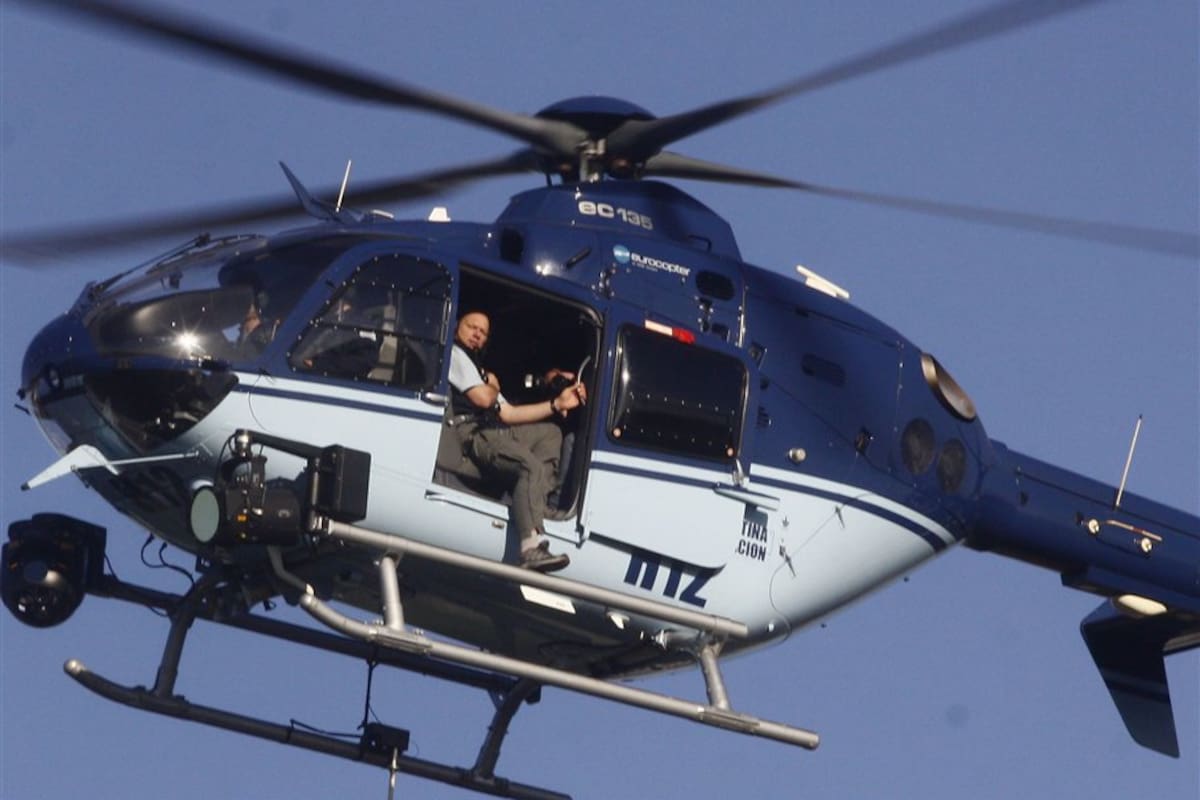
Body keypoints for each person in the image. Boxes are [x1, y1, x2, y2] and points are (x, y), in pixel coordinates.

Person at [449, 310, 586, 572]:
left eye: (483, 332)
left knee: (551, 433)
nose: (477, 333)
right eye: (472, 327)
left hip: (495, 429)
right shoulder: (455, 355)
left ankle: (537, 503)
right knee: (529, 466)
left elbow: (510, 414)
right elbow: (484, 399)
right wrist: (494, 386)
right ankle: (530, 548)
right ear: (457, 327)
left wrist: (557, 404)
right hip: (473, 433)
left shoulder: (479, 370)